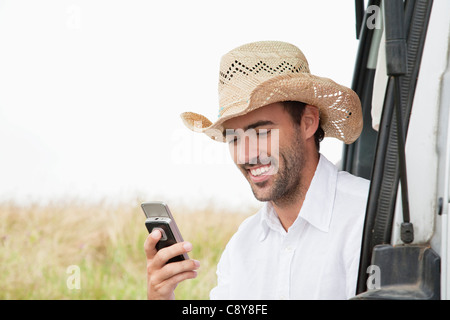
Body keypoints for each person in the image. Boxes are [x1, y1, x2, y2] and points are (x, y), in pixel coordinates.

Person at [144, 41, 370, 300]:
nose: (246, 155)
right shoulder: (241, 247)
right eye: (234, 138)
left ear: (308, 123)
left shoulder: (366, 217)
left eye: (261, 132)